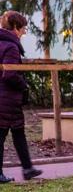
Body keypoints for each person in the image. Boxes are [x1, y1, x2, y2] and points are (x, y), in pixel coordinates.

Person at [0, 11, 43, 182]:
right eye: (23, 28)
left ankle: (27, 168)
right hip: (6, 98)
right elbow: (9, 74)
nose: (24, 32)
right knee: (2, 135)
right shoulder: (10, 46)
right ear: (16, 28)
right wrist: (24, 85)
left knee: (18, 133)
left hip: (8, 99)